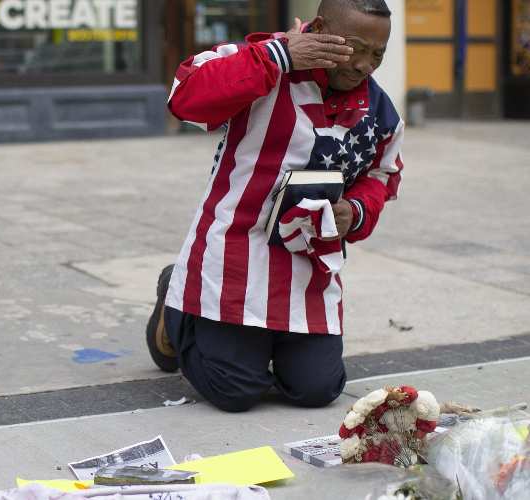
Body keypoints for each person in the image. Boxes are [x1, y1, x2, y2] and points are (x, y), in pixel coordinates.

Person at [146, 0, 404, 412]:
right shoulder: (265, 58)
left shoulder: (380, 111)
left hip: (309, 268)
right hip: (236, 258)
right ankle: (175, 301)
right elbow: (185, 97)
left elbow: (382, 176)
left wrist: (354, 210)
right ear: (320, 27)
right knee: (234, 392)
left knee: (318, 389)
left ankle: (253, 345)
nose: (363, 65)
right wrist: (279, 55)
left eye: (377, 54)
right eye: (355, 47)